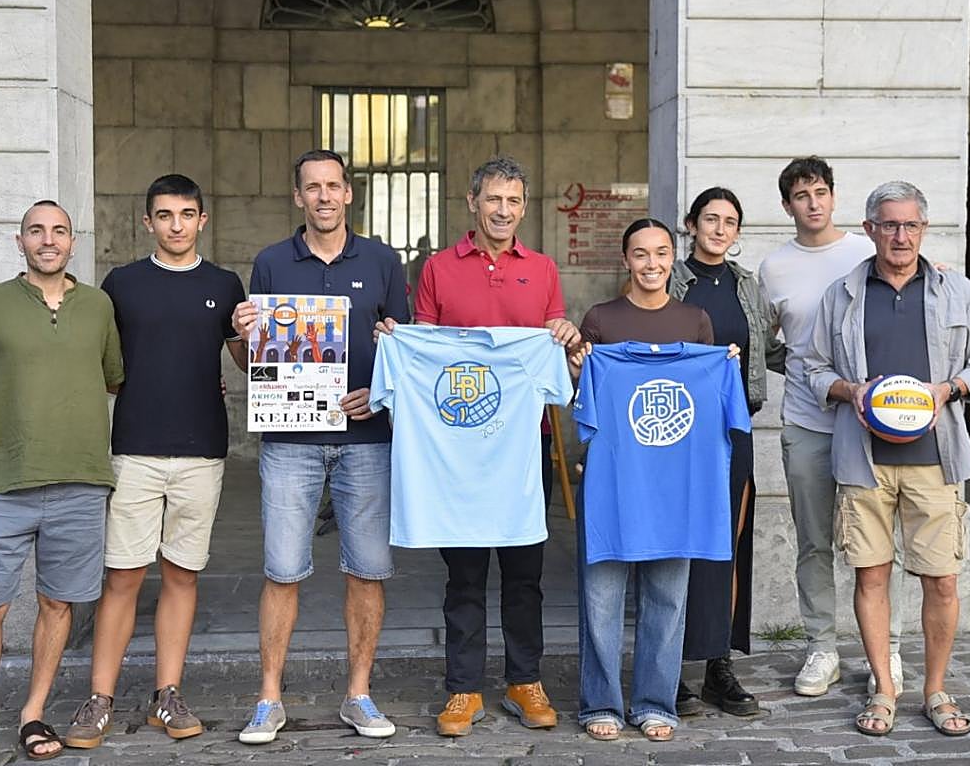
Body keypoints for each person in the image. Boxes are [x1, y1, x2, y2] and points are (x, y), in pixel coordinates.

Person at [376, 156, 580, 736]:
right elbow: (424, 347)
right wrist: (397, 343)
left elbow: (556, 348)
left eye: (513, 201)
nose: (503, 210)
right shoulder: (438, 269)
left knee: (525, 572)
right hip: (455, 454)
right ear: (472, 203)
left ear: (524, 206)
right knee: (463, 575)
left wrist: (564, 336)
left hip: (524, 448)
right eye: (493, 199)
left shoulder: (542, 269)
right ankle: (462, 688)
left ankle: (524, 681)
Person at [805, 181, 970, 737]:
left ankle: (936, 690)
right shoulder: (842, 294)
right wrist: (852, 391)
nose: (901, 236)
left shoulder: (956, 290)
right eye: (889, 225)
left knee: (942, 581)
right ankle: (884, 691)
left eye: (911, 225)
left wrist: (947, 390)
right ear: (869, 229)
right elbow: (813, 368)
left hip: (936, 461)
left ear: (924, 229)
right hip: (863, 460)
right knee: (871, 577)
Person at [230, 149, 409, 743]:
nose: (324, 196)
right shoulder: (271, 262)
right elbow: (252, 363)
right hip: (291, 441)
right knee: (282, 569)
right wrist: (243, 335)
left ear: (348, 193)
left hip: (366, 439)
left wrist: (379, 393)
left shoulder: (383, 261)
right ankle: (268, 699)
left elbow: (405, 351)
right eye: (313, 187)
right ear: (298, 196)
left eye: (333, 186)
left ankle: (359, 695)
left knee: (368, 570)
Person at [65, 174, 247, 748]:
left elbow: (247, 364)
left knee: (182, 574)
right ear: (147, 222)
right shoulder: (121, 284)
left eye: (187, 214)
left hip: (202, 450)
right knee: (123, 575)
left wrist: (250, 334)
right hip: (134, 448)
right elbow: (102, 363)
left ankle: (167, 694)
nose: (176, 225)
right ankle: (99, 699)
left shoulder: (224, 284)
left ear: (202, 220)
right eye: (165, 215)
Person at [0, 201, 124, 766]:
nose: (48, 240)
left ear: (73, 242)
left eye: (59, 231)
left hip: (81, 483)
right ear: (18, 241)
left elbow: (116, 381)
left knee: (57, 604)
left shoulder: (98, 306)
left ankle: (32, 714)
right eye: (36, 231)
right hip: (4, 483)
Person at [569, 218, 741, 743]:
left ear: (673, 258)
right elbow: (582, 398)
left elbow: (711, 408)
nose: (652, 263)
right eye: (641, 254)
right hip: (615, 483)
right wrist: (579, 366)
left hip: (675, 486)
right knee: (601, 599)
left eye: (662, 253)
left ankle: (654, 702)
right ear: (626, 260)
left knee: (667, 599)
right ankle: (599, 702)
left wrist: (724, 365)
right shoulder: (601, 320)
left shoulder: (695, 321)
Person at [758, 157, 907, 698]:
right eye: (802, 195)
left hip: (873, 425)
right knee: (814, 540)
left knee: (880, 542)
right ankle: (821, 647)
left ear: (834, 197)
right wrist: (806, 372)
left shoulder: (867, 253)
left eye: (820, 192)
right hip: (807, 421)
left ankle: (887, 647)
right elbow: (764, 342)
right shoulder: (774, 268)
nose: (813, 203)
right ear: (787, 206)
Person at [667, 188, 785, 716]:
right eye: (710, 219)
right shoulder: (670, 278)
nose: (719, 229)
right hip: (675, 429)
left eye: (729, 221)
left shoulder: (747, 287)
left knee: (727, 545)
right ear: (691, 224)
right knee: (676, 545)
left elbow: (775, 349)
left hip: (733, 428)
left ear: (738, 231)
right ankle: (668, 665)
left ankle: (719, 665)